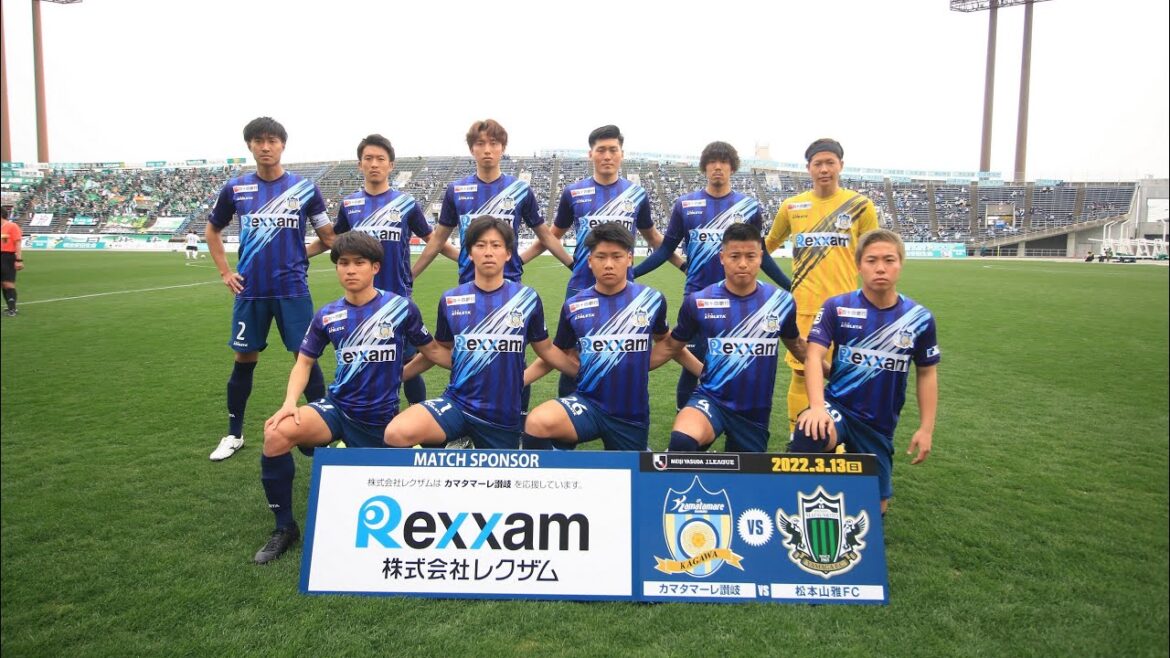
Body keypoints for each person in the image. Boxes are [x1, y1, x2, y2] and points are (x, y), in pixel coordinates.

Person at [254, 231, 449, 564]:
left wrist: (472, 368)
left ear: (375, 267)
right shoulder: (327, 315)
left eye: (359, 263)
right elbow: (304, 362)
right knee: (276, 433)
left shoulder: (400, 308)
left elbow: (431, 351)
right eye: (343, 263)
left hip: (383, 420)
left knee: (397, 496)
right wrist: (289, 403)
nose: (350, 270)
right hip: (338, 410)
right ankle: (284, 527)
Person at [205, 117, 337, 461]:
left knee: (305, 357)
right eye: (259, 141)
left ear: (283, 145)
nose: (265, 147)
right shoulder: (236, 189)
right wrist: (225, 272)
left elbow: (328, 238)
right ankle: (234, 434)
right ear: (249, 145)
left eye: (272, 141)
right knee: (244, 359)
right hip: (250, 292)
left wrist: (300, 255)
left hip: (293, 291)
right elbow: (212, 230)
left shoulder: (304, 189)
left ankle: (322, 432)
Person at [385, 217, 578, 450]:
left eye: (496, 245)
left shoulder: (527, 299)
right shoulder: (451, 299)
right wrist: (396, 376)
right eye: (480, 245)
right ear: (469, 253)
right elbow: (437, 351)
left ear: (508, 254)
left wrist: (579, 373)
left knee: (502, 469)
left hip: (501, 412)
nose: (488, 252)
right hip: (457, 402)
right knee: (397, 433)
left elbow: (546, 351)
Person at [788, 229, 940, 515]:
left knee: (876, 510)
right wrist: (817, 407)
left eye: (889, 260)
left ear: (901, 264)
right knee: (809, 432)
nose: (880, 268)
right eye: (871, 260)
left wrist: (926, 428)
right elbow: (814, 356)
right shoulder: (837, 307)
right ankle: (803, 505)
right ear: (858, 266)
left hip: (878, 424)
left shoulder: (919, 319)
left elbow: (927, 373)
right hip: (838, 407)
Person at [520, 124, 677, 398]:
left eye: (613, 150)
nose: (607, 156)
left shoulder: (636, 194)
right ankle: (569, 410)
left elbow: (654, 238)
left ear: (622, 154)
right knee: (569, 352)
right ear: (590, 154)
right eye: (601, 150)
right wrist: (522, 261)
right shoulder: (573, 192)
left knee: (619, 350)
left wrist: (680, 264)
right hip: (580, 286)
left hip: (623, 289)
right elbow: (550, 236)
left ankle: (620, 410)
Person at [634, 141, 792, 410]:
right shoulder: (685, 205)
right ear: (704, 167)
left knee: (737, 361)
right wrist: (631, 273)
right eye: (712, 162)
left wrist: (791, 285)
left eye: (724, 162)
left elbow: (762, 254)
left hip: (742, 301)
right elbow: (665, 250)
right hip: (698, 299)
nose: (718, 167)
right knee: (692, 362)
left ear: (732, 167)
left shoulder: (749, 207)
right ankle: (685, 417)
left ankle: (737, 419)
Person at [522, 222, 703, 451]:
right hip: (588, 402)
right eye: (601, 257)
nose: (608, 264)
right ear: (590, 261)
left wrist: (703, 373)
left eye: (616, 256)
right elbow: (556, 353)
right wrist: (518, 381)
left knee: (633, 470)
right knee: (537, 422)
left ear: (629, 259)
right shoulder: (574, 306)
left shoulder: (652, 300)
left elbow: (668, 345)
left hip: (631, 413)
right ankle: (559, 473)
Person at [308, 134, 459, 407]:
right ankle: (360, 414)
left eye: (380, 159)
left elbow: (434, 240)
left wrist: (464, 260)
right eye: (368, 159)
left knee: (408, 360)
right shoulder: (350, 204)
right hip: (360, 300)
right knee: (364, 357)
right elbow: (332, 239)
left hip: (397, 297)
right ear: (360, 165)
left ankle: (416, 417)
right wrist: (300, 253)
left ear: (391, 165)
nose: (374, 164)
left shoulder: (406, 203)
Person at [656, 223, 809, 453]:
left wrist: (833, 371)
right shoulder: (699, 301)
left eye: (750, 256)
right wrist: (633, 363)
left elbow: (797, 346)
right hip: (712, 399)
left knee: (745, 471)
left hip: (754, 411)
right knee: (682, 441)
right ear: (722, 258)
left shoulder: (781, 302)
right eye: (735, 256)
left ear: (760, 257)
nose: (743, 263)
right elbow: (670, 346)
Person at [764, 138, 879, 433]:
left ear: (841, 165)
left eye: (830, 162)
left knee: (845, 376)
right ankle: (797, 436)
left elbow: (874, 253)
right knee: (802, 374)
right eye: (818, 163)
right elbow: (765, 247)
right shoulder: (792, 206)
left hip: (847, 310)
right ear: (809, 168)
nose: (824, 169)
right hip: (804, 309)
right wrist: (786, 284)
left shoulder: (860, 206)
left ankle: (836, 440)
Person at [411, 119, 572, 285]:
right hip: (468, 283)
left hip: (510, 284)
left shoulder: (520, 190)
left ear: (503, 148)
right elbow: (437, 241)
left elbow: (546, 237)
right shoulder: (456, 190)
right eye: (480, 143)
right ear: (472, 149)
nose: (487, 150)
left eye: (494, 143)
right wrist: (411, 275)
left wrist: (573, 266)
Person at [1, 207, 23, 317]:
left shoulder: (12, 226)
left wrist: (18, 260)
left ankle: (12, 309)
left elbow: (17, 243)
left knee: (7, 283)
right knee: (2, 284)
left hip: (7, 256)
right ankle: (10, 306)